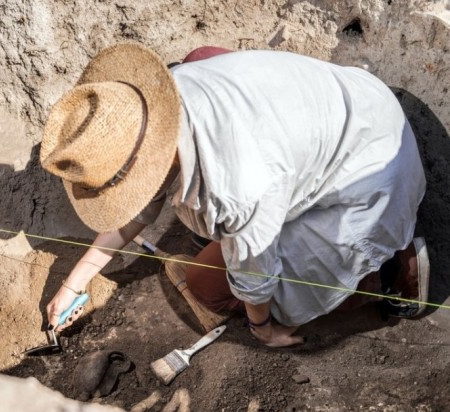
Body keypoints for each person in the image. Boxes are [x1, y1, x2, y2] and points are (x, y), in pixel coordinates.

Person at [38, 42, 428, 348]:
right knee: (203, 56)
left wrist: (264, 330)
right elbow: (139, 208)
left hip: (373, 177)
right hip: (351, 103)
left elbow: (254, 276)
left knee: (208, 287)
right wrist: (75, 283)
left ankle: (390, 271)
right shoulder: (168, 94)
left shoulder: (236, 188)